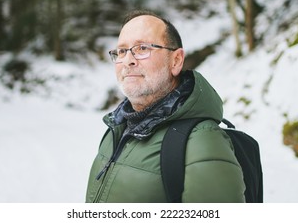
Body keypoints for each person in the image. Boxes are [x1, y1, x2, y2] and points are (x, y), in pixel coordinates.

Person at [85, 10, 245, 203]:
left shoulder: (203, 143)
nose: (128, 60)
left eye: (142, 48)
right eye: (121, 51)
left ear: (176, 61)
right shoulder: (116, 129)